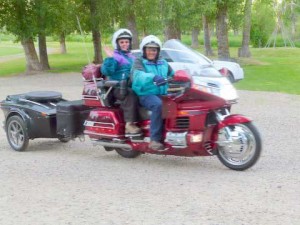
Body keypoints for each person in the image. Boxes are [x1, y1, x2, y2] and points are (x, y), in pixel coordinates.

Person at [131, 35, 174, 150]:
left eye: (154, 49)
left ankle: (172, 134)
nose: (151, 52)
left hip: (162, 93)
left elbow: (172, 74)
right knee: (158, 105)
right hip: (146, 94)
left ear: (158, 50)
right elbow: (137, 76)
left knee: (178, 103)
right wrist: (153, 77)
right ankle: (154, 139)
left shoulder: (163, 62)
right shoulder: (139, 61)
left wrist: (183, 77)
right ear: (144, 50)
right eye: (149, 49)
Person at [101, 28, 141, 135]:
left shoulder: (131, 56)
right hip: (117, 87)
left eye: (127, 42)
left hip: (131, 84)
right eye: (122, 42)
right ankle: (129, 125)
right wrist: (110, 58)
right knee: (130, 94)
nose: (125, 44)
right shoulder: (114, 56)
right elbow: (107, 71)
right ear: (117, 43)